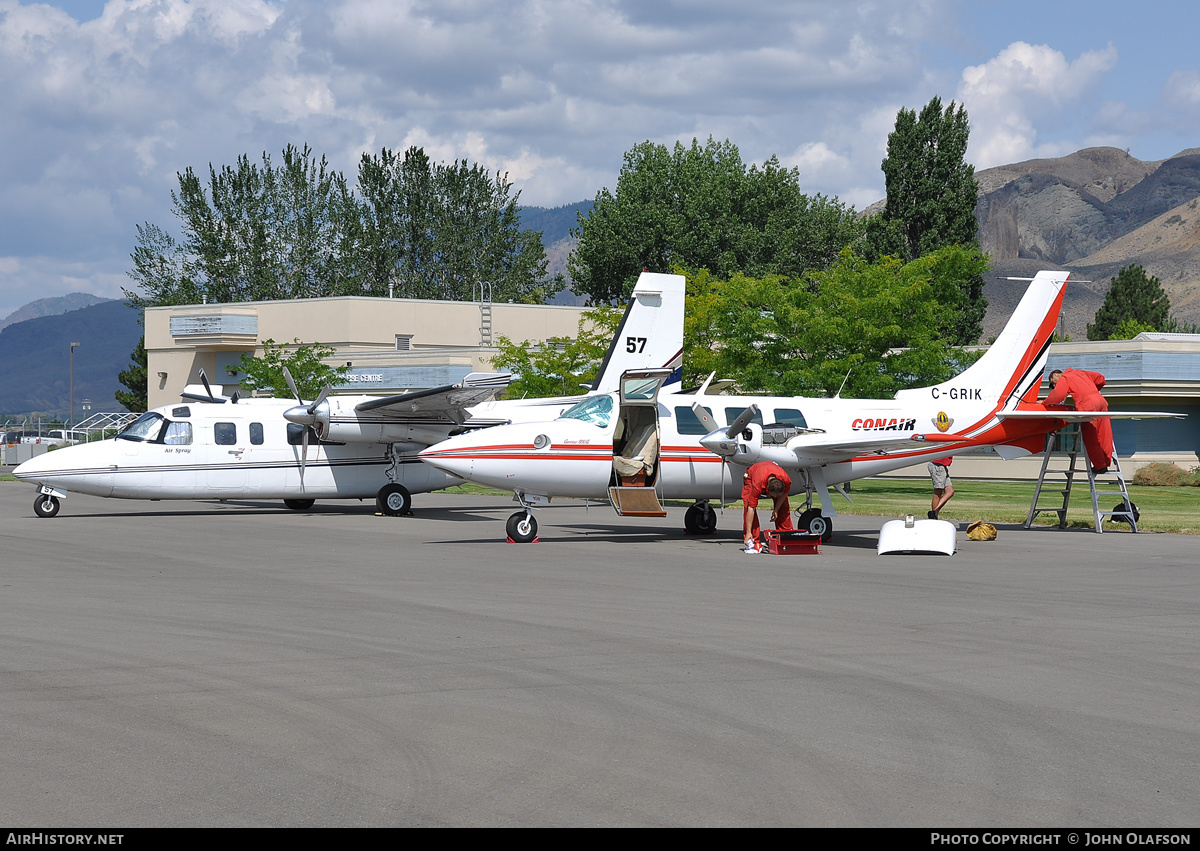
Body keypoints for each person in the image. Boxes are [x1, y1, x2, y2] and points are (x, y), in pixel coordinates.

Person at [1042, 368, 1113, 473]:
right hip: (1101, 401)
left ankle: (1100, 466)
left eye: (1053, 383)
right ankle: (1106, 462)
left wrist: (1045, 403)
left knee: (1091, 436)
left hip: (1088, 404)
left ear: (1056, 375)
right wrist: (1093, 390)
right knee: (1104, 434)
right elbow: (1101, 379)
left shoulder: (1064, 377)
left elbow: (1058, 395)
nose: (1055, 386)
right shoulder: (1080, 372)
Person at [741, 461, 793, 554]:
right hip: (751, 476)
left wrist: (776, 510)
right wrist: (748, 532)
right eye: (774, 496)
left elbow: (784, 494)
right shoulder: (758, 484)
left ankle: (785, 536)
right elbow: (751, 508)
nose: (776, 498)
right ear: (768, 490)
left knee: (784, 506)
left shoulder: (786, 479)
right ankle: (753, 540)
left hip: (769, 471)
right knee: (748, 503)